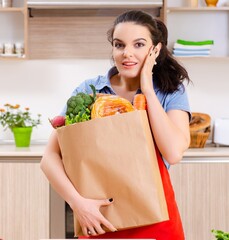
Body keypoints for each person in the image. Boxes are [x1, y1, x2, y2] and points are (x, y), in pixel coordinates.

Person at [41, 10, 191, 239]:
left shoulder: (169, 91)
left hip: (154, 215)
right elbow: (49, 158)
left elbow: (172, 153)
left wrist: (148, 90)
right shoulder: (90, 90)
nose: (127, 54)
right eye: (119, 45)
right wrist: (78, 204)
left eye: (139, 45)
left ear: (155, 50)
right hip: (98, 215)